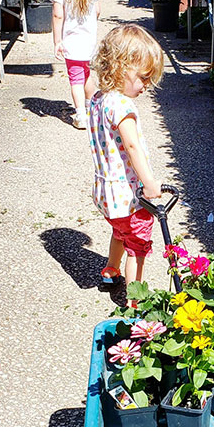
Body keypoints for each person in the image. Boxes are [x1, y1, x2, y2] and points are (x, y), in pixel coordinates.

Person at [88, 24, 165, 289]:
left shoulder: (99, 99)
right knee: (138, 244)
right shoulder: (122, 106)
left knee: (120, 231)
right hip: (129, 195)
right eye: (143, 78)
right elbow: (133, 147)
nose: (146, 86)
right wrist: (150, 183)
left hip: (106, 194)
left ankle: (110, 270)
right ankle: (136, 299)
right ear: (120, 68)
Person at [49, 0, 100, 129]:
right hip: (88, 40)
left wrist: (57, 41)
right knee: (86, 73)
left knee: (76, 78)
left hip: (72, 41)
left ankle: (80, 115)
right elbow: (97, 11)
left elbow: (57, 15)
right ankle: (91, 107)